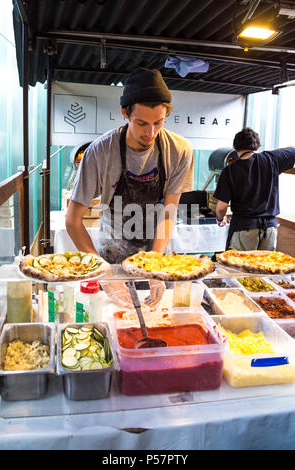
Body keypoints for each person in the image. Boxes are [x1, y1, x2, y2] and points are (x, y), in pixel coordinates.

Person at [66, 67, 194, 307]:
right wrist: (102, 271)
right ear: (125, 113)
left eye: (158, 122)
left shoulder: (180, 150)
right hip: (110, 261)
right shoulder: (100, 152)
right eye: (141, 123)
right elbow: (72, 221)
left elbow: (169, 212)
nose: (150, 132)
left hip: (156, 256)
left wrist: (155, 263)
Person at [213, 127, 295, 251]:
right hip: (270, 229)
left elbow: (221, 208)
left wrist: (220, 218)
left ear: (235, 147)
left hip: (244, 229)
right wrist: (274, 151)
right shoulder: (271, 159)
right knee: (265, 268)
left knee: (239, 268)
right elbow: (292, 150)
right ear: (256, 146)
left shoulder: (230, 170)